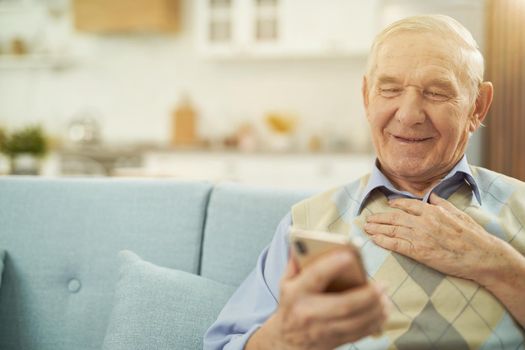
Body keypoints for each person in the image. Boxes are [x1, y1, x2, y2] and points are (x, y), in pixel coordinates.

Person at [204, 14, 525, 350]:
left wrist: (497, 265)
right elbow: (223, 344)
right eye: (389, 89)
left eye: (436, 92)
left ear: (478, 106)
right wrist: (285, 337)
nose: (408, 114)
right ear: (366, 96)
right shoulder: (307, 225)